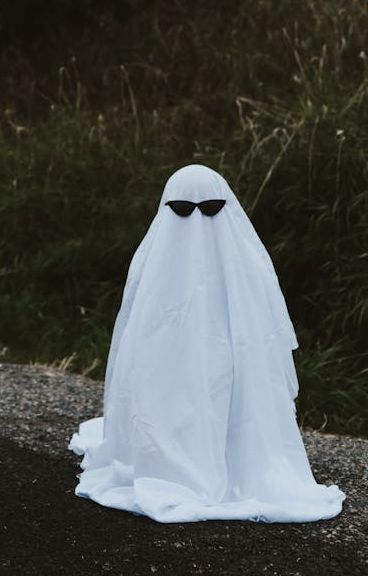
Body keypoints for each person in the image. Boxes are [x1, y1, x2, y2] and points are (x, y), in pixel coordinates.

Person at [69, 163, 343, 523]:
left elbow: (265, 336)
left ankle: (226, 456)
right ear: (168, 208)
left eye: (211, 209)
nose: (197, 222)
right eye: (183, 210)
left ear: (225, 207)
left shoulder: (245, 267)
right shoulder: (155, 265)